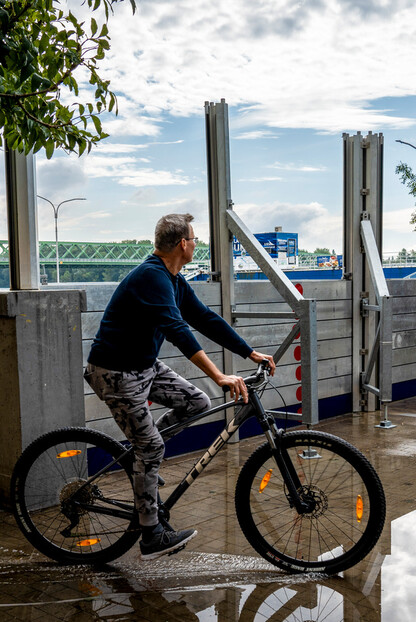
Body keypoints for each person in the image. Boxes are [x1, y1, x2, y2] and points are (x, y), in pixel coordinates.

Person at [84, 213, 276, 561]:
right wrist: (220, 375)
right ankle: (151, 535)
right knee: (152, 449)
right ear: (182, 244)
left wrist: (249, 353)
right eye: (194, 238)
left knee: (196, 403)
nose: (196, 243)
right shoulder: (151, 277)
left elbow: (204, 319)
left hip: (143, 366)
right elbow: (178, 329)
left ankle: (144, 461)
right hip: (115, 373)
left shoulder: (173, 279)